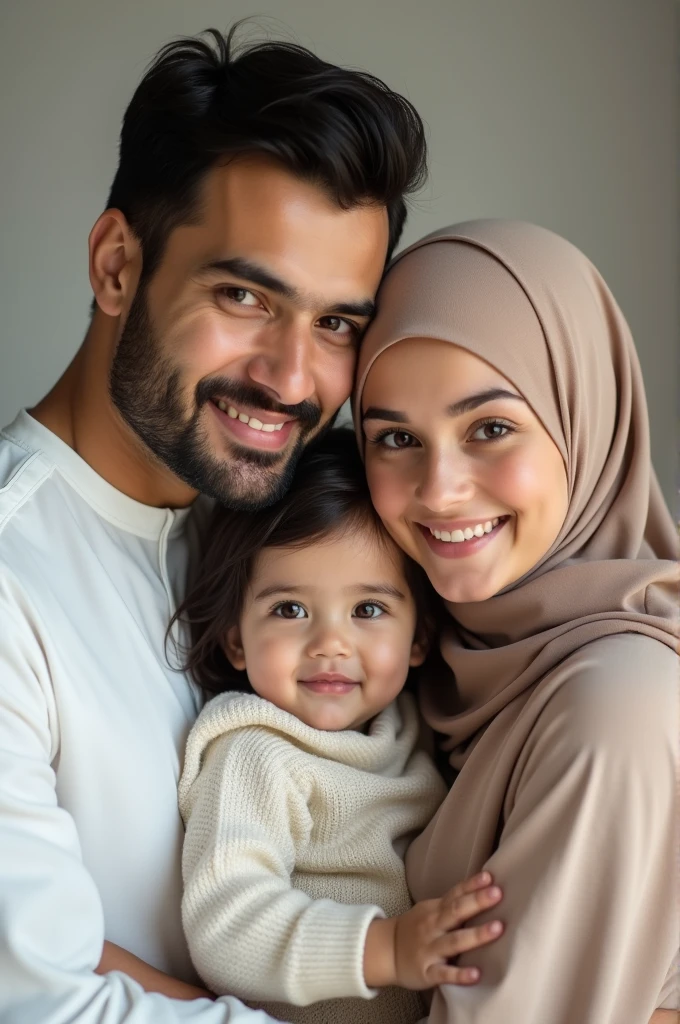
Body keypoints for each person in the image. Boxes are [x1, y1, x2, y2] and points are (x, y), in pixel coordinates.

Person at [0, 25, 426, 1023]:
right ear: (115, 266)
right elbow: (44, 1006)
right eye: (244, 294)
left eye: (335, 324)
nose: (291, 379)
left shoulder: (299, 543)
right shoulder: (11, 577)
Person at [352, 219, 680, 1024]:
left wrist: (149, 994)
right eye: (395, 438)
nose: (440, 489)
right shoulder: (411, 654)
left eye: (490, 428)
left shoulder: (620, 706)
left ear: (584, 417)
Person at [164, 429, 503, 1022]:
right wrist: (388, 949)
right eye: (289, 609)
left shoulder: (415, 730)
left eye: (367, 610)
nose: (329, 644)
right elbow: (227, 924)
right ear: (237, 638)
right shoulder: (256, 753)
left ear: (418, 636)